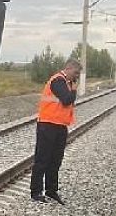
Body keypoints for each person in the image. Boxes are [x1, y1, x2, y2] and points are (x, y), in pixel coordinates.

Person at [30, 59, 82, 204]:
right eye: (76, 72)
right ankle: (36, 191)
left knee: (55, 160)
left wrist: (72, 88)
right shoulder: (58, 81)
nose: (76, 76)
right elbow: (66, 99)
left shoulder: (67, 83)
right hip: (48, 125)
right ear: (69, 68)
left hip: (59, 125)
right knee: (43, 159)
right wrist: (74, 89)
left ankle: (51, 190)